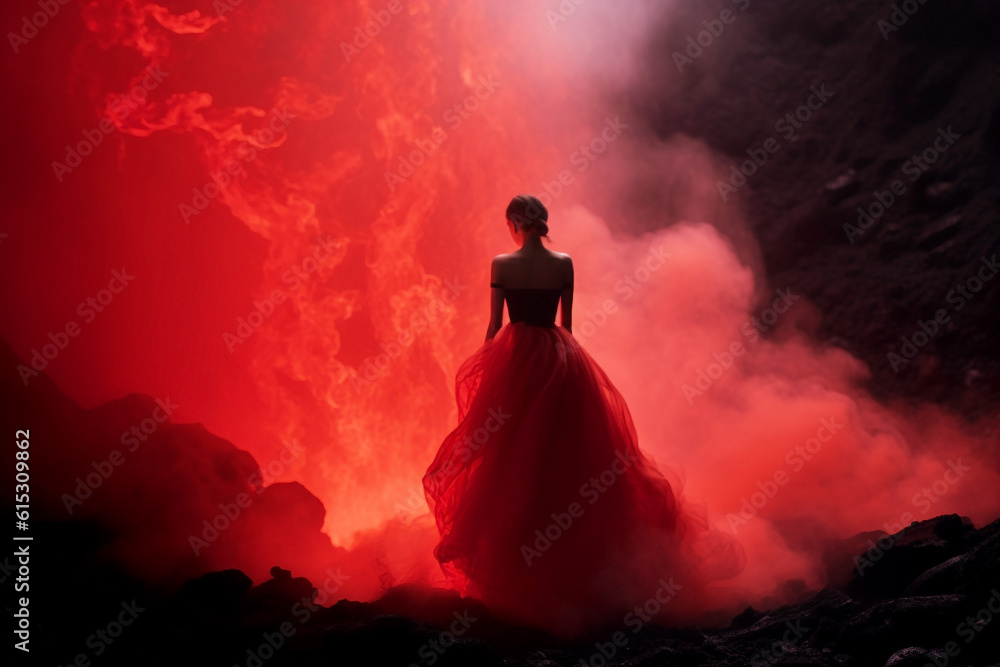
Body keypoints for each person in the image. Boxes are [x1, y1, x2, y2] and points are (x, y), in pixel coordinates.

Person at [422, 195, 745, 637]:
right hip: (560, 359)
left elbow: (493, 328)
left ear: (515, 223)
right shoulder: (563, 263)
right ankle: (583, 570)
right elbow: (567, 326)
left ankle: (517, 572)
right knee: (570, 458)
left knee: (512, 460)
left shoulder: (502, 263)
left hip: (515, 362)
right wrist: (559, 360)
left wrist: (486, 372)